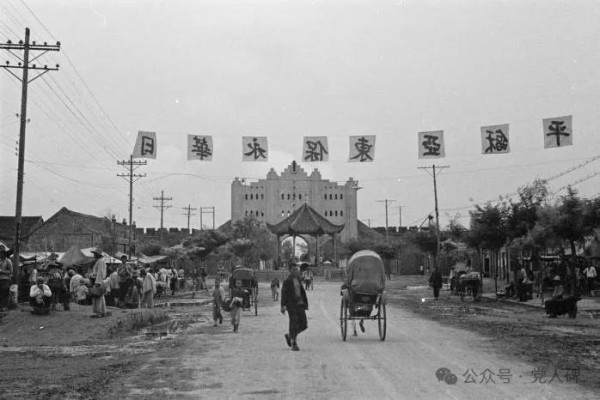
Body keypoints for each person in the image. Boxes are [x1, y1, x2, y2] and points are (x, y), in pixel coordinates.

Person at [281, 263, 308, 351]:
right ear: (290, 271)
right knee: (294, 323)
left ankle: (289, 336)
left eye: (296, 269)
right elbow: (284, 294)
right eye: (293, 269)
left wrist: (305, 303)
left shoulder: (299, 279)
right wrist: (283, 306)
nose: (295, 271)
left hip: (300, 304)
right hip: (291, 305)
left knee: (304, 324)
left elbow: (302, 292)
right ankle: (294, 343)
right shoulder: (287, 281)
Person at [90, 248, 108, 318]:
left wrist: (97, 282)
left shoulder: (100, 261)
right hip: (101, 280)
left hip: (99, 280)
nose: (93, 255)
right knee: (101, 297)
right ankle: (103, 312)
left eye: (94, 254)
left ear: (97, 254)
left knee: (98, 297)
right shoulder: (101, 261)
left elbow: (100, 272)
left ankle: (98, 313)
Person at [0, 246, 14, 312]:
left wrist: (2, 271)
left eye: (2, 253)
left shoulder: (8, 261)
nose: (1, 254)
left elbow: (11, 271)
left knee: (4, 293)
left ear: (4, 254)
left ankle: (4, 306)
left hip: (5, 279)